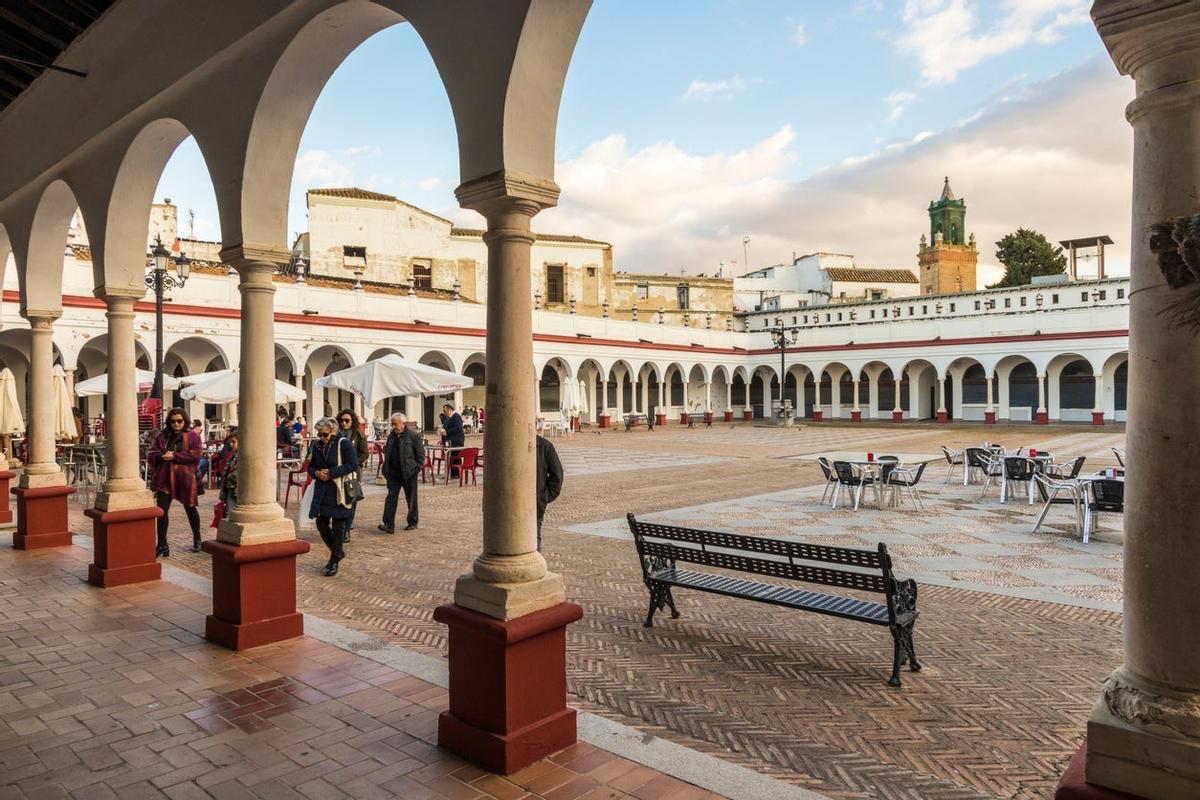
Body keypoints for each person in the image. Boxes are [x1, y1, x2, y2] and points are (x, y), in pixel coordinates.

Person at [147, 407, 203, 556]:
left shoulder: (192, 436)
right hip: (165, 478)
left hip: (185, 477)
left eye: (179, 421)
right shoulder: (162, 436)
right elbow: (152, 453)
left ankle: (197, 539)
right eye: (173, 421)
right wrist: (161, 457)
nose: (176, 424)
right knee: (162, 511)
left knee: (190, 508)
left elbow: (196, 454)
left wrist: (175, 456)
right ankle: (162, 545)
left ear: (185, 421)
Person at [307, 417, 358, 576]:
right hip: (322, 490)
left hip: (339, 489)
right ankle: (338, 552)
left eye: (325, 434)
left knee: (338, 527)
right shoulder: (316, 445)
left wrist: (331, 472)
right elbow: (311, 466)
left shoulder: (344, 444)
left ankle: (334, 560)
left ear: (333, 432)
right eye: (319, 434)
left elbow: (353, 464)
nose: (321, 437)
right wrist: (316, 473)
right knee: (321, 523)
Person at [379, 412, 424, 533]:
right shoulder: (391, 437)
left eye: (395, 424)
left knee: (411, 498)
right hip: (393, 473)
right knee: (391, 498)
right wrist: (386, 469)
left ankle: (412, 521)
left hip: (409, 472)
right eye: (392, 424)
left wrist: (416, 469)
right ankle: (388, 524)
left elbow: (420, 456)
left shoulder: (413, 436)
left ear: (403, 423)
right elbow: (388, 454)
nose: (394, 427)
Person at [337, 408, 369, 542]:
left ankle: (347, 528)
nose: (344, 423)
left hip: (353, 472)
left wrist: (355, 463)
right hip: (338, 471)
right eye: (342, 420)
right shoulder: (336, 434)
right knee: (339, 498)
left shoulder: (358, 435)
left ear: (352, 421)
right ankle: (340, 527)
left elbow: (365, 453)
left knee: (351, 498)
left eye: (347, 420)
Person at [535, 434, 564, 552]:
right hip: (509, 508)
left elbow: (557, 476)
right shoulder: (509, 443)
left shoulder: (544, 446)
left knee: (534, 545)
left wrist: (543, 496)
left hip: (535, 506)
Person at [218, 433, 238, 511]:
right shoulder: (234, 455)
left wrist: (229, 477)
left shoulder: (240, 456)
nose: (230, 444)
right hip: (229, 486)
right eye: (230, 442)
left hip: (234, 486)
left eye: (234, 442)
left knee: (230, 511)